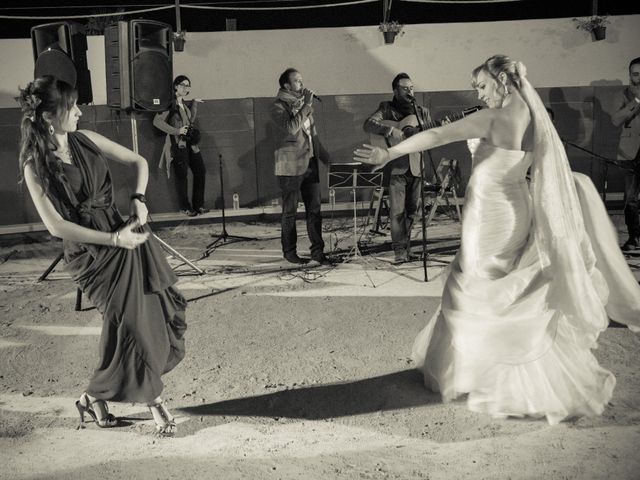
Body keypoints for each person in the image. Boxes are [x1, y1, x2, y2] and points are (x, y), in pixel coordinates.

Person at [355, 55, 640, 424]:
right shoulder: (538, 119)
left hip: (489, 216)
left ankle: (493, 376)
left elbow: (438, 135)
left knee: (473, 287)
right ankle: (505, 370)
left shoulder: (493, 118)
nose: (479, 91)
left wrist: (389, 152)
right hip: (516, 210)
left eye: (482, 84)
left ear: (503, 81)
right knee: (504, 287)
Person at [17, 76, 187, 436]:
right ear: (49, 116)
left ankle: (92, 397)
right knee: (130, 324)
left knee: (146, 316)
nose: (79, 112)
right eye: (71, 107)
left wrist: (139, 200)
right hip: (91, 253)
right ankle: (154, 401)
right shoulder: (35, 165)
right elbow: (56, 226)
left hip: (125, 236)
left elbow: (140, 162)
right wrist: (112, 239)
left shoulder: (86, 140)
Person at [363, 73, 432, 264]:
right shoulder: (386, 109)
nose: (409, 91)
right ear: (395, 90)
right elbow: (368, 124)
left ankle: (406, 246)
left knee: (413, 212)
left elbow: (432, 136)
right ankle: (399, 250)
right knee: (397, 212)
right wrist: (390, 131)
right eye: (405, 88)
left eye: (411, 88)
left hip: (417, 166)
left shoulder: (422, 111)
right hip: (396, 168)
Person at [269, 67, 331, 265]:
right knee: (290, 212)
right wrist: (306, 107)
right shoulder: (278, 107)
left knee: (315, 210)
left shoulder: (305, 107)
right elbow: (290, 129)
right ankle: (289, 252)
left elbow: (313, 138)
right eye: (297, 81)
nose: (302, 85)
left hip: (310, 164)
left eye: (302, 80)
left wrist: (327, 159)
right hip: (289, 168)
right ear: (287, 85)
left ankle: (317, 251)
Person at [154, 75, 209, 217]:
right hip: (178, 145)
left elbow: (190, 121)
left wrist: (194, 104)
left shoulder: (183, 104)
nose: (186, 88)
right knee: (182, 176)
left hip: (191, 144)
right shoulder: (169, 104)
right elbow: (157, 122)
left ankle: (199, 205)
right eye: (183, 85)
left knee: (200, 171)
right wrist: (176, 131)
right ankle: (185, 207)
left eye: (188, 85)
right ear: (175, 86)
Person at [611, 57, 640, 251]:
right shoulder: (621, 95)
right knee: (630, 198)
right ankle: (634, 238)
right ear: (629, 75)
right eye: (635, 74)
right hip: (629, 153)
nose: (638, 78)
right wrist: (636, 100)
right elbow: (615, 120)